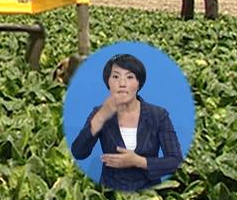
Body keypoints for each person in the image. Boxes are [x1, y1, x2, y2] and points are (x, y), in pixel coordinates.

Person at [70, 54, 183, 192]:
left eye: (130, 77)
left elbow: (175, 161)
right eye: (116, 77)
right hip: (110, 195)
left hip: (149, 195)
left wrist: (139, 162)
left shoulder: (158, 115)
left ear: (139, 83)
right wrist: (100, 118)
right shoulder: (99, 113)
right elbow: (78, 152)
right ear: (108, 82)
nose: (122, 84)